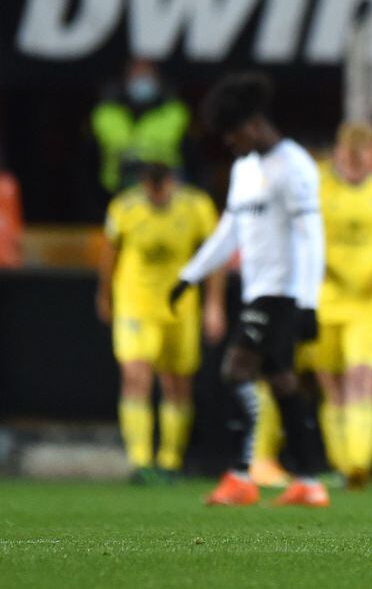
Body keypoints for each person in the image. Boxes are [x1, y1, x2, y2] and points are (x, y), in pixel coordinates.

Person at [172, 73, 328, 507]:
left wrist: (308, 303)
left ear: (254, 125)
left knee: (236, 370)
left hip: (282, 293)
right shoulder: (243, 168)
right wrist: (189, 275)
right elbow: (231, 229)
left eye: (231, 133)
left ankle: (241, 475)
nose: (228, 143)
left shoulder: (294, 164)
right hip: (258, 290)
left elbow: (310, 235)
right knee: (282, 383)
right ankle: (310, 482)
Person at [96, 157, 226, 483]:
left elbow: (216, 257)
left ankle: (170, 460)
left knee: (177, 382)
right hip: (136, 305)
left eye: (162, 185)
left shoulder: (197, 207)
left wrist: (214, 304)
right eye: (150, 186)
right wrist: (104, 295)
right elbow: (110, 253)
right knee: (136, 375)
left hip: (179, 307)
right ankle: (140, 461)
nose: (156, 193)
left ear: (173, 181)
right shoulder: (124, 209)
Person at [295, 122, 372, 489]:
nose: (355, 161)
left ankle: (358, 464)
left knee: (362, 378)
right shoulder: (319, 191)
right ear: (339, 153)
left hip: (370, 303)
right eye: (349, 153)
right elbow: (300, 236)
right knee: (331, 384)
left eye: (363, 153)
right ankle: (342, 465)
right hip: (325, 300)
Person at [91, 59, 190, 196]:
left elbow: (179, 145)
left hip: (166, 186)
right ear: (126, 79)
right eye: (137, 76)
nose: (142, 81)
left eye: (146, 76)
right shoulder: (106, 111)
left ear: (157, 80)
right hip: (117, 187)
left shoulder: (174, 110)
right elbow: (106, 146)